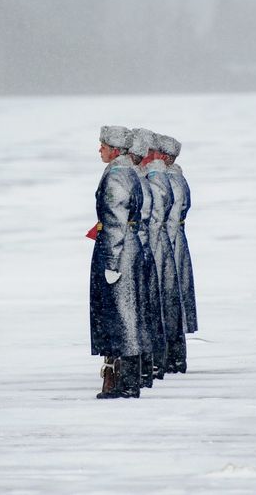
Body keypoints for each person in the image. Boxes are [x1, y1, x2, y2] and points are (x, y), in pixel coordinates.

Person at [89, 126, 150, 399]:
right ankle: (128, 379)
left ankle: (126, 383)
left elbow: (115, 222)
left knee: (121, 316)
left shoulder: (116, 176)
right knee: (129, 314)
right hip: (131, 247)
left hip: (120, 251)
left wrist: (112, 263)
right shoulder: (129, 173)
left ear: (114, 150)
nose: (99, 150)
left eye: (103, 145)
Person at [141, 133, 185, 377]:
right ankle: (170, 358)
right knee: (165, 301)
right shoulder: (161, 177)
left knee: (162, 301)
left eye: (148, 152)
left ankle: (166, 358)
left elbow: (163, 218)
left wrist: (148, 244)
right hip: (163, 243)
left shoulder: (160, 179)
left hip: (159, 244)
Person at [127, 128, 168, 385]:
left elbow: (155, 217)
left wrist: (144, 246)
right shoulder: (138, 177)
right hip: (142, 245)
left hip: (142, 246)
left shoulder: (146, 179)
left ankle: (149, 364)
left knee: (144, 307)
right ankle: (149, 363)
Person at [158, 133, 197, 373]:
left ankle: (173, 358)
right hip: (172, 242)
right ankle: (173, 357)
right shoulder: (173, 178)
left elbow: (170, 220)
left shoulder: (171, 180)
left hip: (170, 244)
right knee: (171, 299)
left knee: (170, 299)